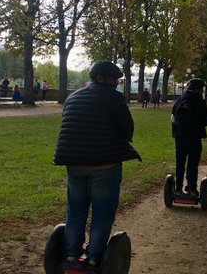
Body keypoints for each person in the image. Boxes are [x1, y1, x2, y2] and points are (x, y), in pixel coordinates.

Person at [54, 61, 141, 269]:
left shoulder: (72, 97)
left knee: (75, 209)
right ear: (101, 78)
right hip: (104, 165)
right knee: (102, 212)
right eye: (114, 79)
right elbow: (127, 130)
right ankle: (94, 259)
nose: (116, 83)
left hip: (73, 163)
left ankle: (70, 256)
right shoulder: (113, 97)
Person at [171, 78, 207, 197]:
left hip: (180, 137)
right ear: (198, 89)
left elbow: (173, 117)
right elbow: (206, 121)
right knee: (192, 164)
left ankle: (177, 188)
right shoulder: (200, 101)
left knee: (180, 163)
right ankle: (192, 189)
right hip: (194, 138)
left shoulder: (179, 99)